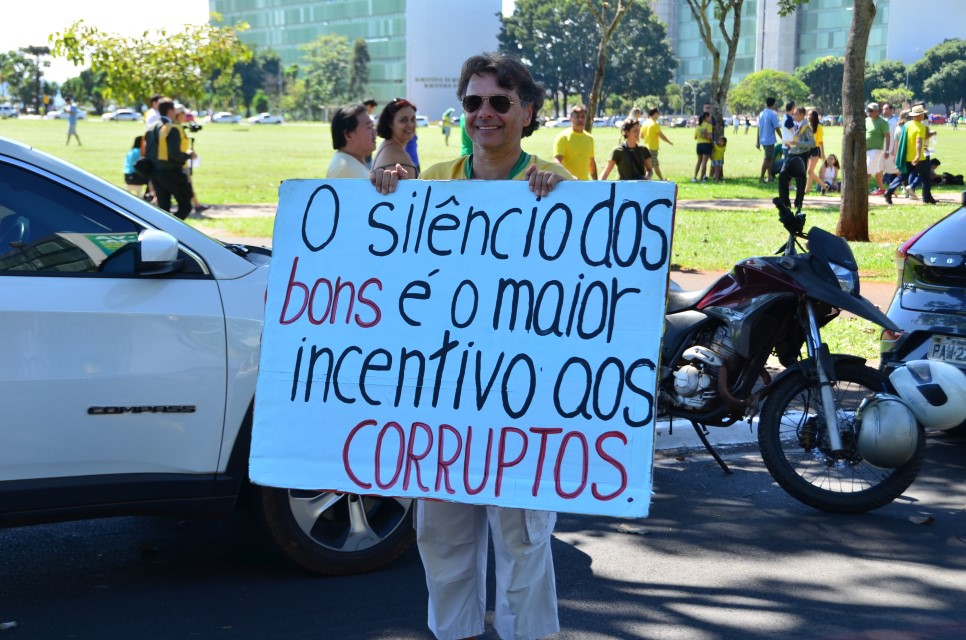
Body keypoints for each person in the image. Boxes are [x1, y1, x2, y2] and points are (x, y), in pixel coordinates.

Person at [369, 52, 569, 640]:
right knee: (441, 539)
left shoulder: (558, 184)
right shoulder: (432, 181)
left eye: (500, 102)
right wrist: (384, 195)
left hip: (521, 402)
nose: (486, 113)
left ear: (527, 112)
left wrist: (565, 202)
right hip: (443, 402)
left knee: (523, 543)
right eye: (474, 102)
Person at [145, 98, 195, 219]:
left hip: (154, 172)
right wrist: (188, 155)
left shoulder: (151, 127)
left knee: (164, 209)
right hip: (171, 172)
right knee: (185, 206)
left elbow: (148, 151)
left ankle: (163, 227)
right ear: (170, 111)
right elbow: (174, 154)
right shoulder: (172, 129)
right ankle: (171, 228)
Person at [885, 104, 935, 205]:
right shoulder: (921, 127)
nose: (923, 116)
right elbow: (918, 142)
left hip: (907, 157)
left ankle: (889, 192)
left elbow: (902, 141)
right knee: (926, 178)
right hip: (919, 158)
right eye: (922, 114)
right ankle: (926, 198)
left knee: (902, 176)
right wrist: (917, 155)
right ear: (919, 115)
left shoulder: (907, 125)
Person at [777, 106, 814, 214]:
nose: (794, 116)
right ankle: (785, 203)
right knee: (783, 176)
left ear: (802, 114)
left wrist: (798, 143)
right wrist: (790, 144)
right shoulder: (796, 125)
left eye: (796, 114)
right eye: (793, 114)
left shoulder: (806, 127)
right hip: (791, 154)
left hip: (801, 155)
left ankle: (798, 203)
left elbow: (812, 143)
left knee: (800, 181)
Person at [172, 105, 208, 213]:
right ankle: (196, 205)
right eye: (184, 114)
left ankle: (197, 204)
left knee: (187, 184)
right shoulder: (175, 128)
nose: (186, 117)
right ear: (178, 114)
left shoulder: (179, 127)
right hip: (180, 162)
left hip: (183, 161)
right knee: (186, 184)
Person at [371, 98, 419, 178]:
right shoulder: (399, 156)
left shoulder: (386, 145)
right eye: (404, 120)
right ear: (390, 123)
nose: (410, 125)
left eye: (413, 119)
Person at [326, 103, 377, 179]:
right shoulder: (345, 170)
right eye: (369, 127)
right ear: (348, 135)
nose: (375, 133)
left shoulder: (351, 163)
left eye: (373, 126)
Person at [553, 104, 597, 180]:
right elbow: (557, 162)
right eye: (577, 116)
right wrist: (571, 177)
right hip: (568, 182)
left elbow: (591, 163)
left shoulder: (589, 138)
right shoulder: (563, 137)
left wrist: (596, 181)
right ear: (570, 119)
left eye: (583, 116)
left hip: (584, 183)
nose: (580, 119)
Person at [600, 116, 651, 180]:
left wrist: (645, 179)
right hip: (623, 186)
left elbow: (650, 170)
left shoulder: (644, 149)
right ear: (627, 132)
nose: (638, 133)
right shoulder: (617, 151)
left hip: (640, 186)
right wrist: (598, 185)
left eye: (639, 130)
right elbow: (605, 173)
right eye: (635, 131)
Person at [865, 102, 891, 195]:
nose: (869, 112)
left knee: (867, 171)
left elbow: (887, 137)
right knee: (877, 171)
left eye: (871, 110)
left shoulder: (882, 122)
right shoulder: (866, 120)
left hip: (876, 150)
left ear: (876, 111)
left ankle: (862, 190)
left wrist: (887, 150)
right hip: (866, 150)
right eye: (868, 110)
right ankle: (883, 189)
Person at [641, 107, 672, 180]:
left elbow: (641, 136)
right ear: (655, 114)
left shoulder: (645, 123)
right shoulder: (654, 124)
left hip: (646, 148)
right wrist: (669, 142)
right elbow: (661, 135)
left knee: (656, 165)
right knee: (649, 169)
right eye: (658, 113)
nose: (658, 115)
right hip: (652, 149)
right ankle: (645, 181)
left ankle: (662, 179)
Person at [756, 97, 781, 183]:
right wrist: (783, 137)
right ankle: (762, 177)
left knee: (770, 159)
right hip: (769, 140)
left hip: (763, 140)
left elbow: (759, 128)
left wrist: (757, 141)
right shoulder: (773, 114)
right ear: (773, 104)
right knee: (767, 159)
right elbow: (777, 128)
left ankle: (770, 176)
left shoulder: (761, 114)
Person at [804, 109, 825, 194]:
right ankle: (807, 190)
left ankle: (823, 186)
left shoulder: (819, 127)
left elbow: (820, 141)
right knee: (810, 172)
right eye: (808, 114)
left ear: (814, 116)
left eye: (810, 115)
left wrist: (823, 153)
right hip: (807, 150)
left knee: (809, 171)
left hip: (815, 150)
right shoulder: (806, 126)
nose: (808, 116)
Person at [692, 111, 712, 182]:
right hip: (706, 144)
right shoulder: (709, 126)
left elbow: (695, 137)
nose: (710, 118)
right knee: (704, 162)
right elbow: (709, 137)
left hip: (699, 145)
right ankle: (701, 178)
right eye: (709, 117)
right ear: (706, 117)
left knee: (699, 161)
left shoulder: (698, 126)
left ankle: (694, 177)